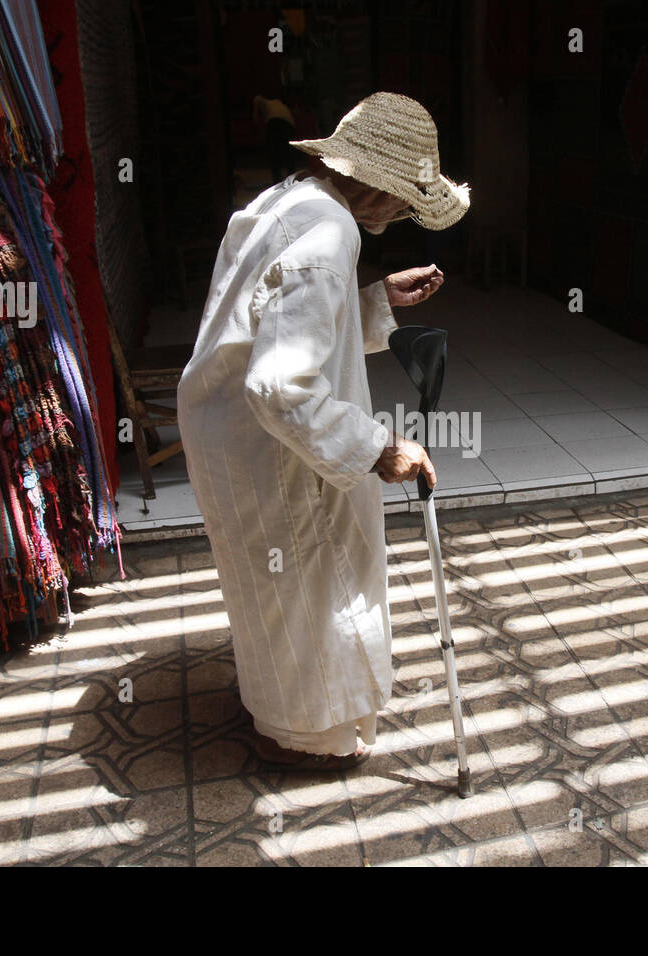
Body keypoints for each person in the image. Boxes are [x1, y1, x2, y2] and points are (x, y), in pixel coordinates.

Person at [177, 92, 471, 771]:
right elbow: (280, 384)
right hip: (270, 448)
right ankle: (309, 739)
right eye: (400, 199)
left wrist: (375, 302)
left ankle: (289, 716)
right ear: (371, 180)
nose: (400, 214)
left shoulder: (288, 200)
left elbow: (270, 323)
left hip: (232, 437)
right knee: (312, 586)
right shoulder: (329, 234)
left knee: (277, 590)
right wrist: (380, 448)